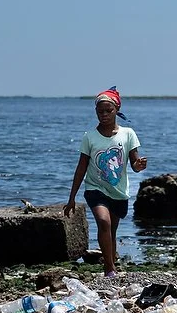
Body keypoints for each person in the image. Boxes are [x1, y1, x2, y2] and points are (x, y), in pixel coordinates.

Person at [63, 88, 147, 277]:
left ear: (116, 109)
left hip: (118, 190)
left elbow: (134, 164)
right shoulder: (89, 137)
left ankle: (112, 263)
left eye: (108, 110)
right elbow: (81, 168)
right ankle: (108, 269)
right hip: (95, 188)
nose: (104, 115)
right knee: (103, 222)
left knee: (112, 230)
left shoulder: (128, 134)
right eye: (100, 111)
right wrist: (71, 198)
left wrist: (139, 165)